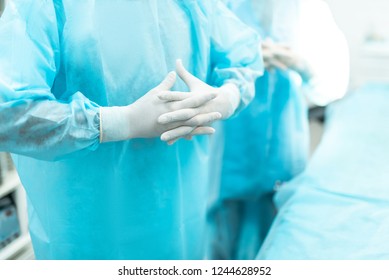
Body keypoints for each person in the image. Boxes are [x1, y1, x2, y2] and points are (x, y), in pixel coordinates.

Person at [0, 0, 263, 259]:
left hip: (180, 211)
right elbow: (8, 113)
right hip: (90, 228)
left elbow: (243, 55)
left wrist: (227, 97)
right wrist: (119, 122)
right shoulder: (43, 6)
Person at [207, 0, 349, 260]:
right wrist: (245, 61)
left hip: (284, 141)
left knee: (281, 231)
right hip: (229, 143)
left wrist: (301, 63)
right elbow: (197, 69)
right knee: (222, 236)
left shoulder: (308, 8)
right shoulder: (220, 5)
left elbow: (331, 84)